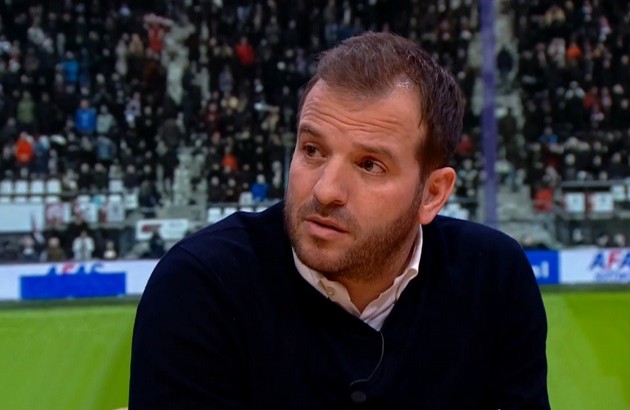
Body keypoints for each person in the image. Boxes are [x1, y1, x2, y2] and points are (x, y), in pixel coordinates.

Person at [130, 32, 549, 409]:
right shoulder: (201, 286)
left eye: (369, 165)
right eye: (312, 150)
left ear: (432, 193)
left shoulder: (495, 278)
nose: (325, 190)